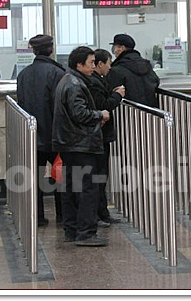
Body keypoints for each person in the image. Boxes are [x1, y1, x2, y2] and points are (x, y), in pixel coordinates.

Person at [53, 46, 110, 246]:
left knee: (71, 187)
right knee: (88, 188)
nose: (94, 66)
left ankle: (72, 229)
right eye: (91, 62)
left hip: (68, 142)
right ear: (79, 64)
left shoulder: (67, 80)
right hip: (80, 143)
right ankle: (86, 232)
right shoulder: (76, 84)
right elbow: (79, 113)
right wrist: (100, 115)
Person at [16, 34, 65, 226]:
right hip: (54, 136)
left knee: (34, 179)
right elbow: (60, 106)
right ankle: (62, 216)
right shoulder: (57, 73)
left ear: (33, 50)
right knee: (61, 176)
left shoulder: (23, 74)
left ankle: (38, 217)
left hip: (32, 135)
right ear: (51, 49)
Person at [90, 49, 125, 227]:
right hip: (99, 136)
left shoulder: (98, 81)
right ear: (100, 64)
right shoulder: (94, 83)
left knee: (101, 176)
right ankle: (99, 213)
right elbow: (103, 106)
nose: (110, 68)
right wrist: (117, 96)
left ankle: (102, 212)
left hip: (100, 136)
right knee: (99, 175)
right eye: (109, 63)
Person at [106, 34, 160, 108]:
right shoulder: (147, 65)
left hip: (128, 113)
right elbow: (156, 81)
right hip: (150, 112)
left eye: (114, 48)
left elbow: (111, 94)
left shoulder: (116, 70)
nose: (114, 52)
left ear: (122, 48)